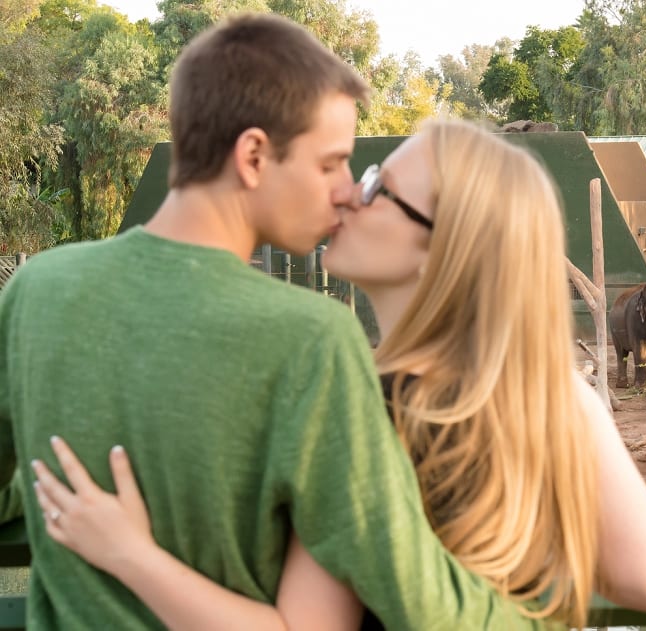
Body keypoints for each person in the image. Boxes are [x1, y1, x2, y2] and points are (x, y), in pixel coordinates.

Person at [1, 13, 546, 630]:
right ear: (254, 156)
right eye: (330, 163)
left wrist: (58, 469)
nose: (346, 191)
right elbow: (416, 594)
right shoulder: (313, 338)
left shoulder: (35, 289)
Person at [31, 118, 646, 629]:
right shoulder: (555, 396)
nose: (346, 192)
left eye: (376, 188)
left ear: (439, 247)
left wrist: (129, 555)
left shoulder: (355, 409)